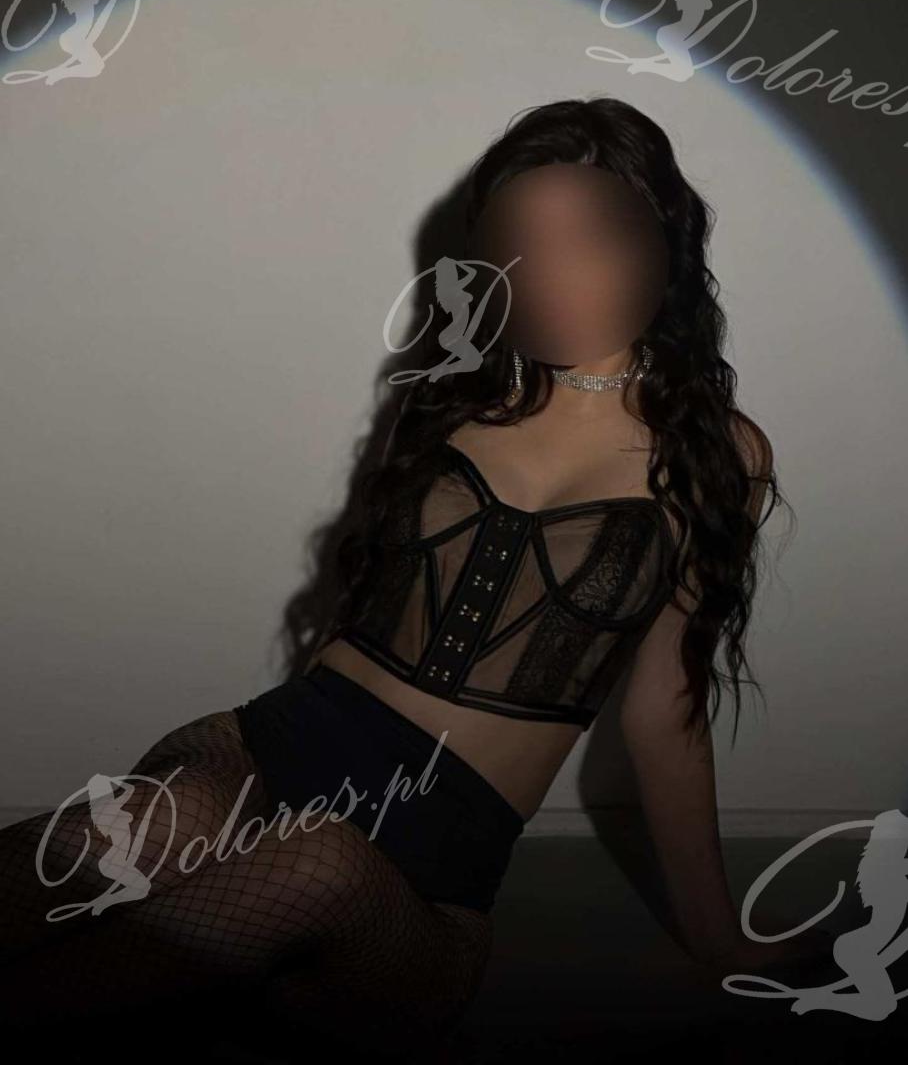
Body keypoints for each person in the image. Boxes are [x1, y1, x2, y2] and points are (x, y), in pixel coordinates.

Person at [0, 96, 829, 1058]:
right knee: (155, 818)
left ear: (660, 247)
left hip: (429, 861)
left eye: (587, 242)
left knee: (319, 862)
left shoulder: (717, 456)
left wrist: (719, 938)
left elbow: (665, 713)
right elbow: (359, 610)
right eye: (525, 247)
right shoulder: (451, 393)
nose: (550, 276)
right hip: (275, 746)